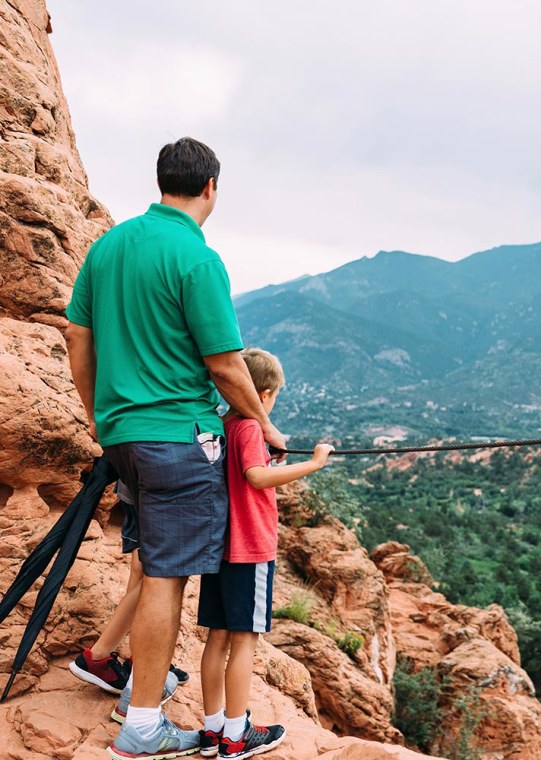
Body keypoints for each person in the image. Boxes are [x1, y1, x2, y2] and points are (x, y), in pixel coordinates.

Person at [65, 137, 286, 760]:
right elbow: (224, 363)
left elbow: (79, 335)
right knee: (166, 577)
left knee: (149, 566)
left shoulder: (108, 246)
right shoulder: (196, 256)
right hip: (178, 439)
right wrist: (263, 427)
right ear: (211, 187)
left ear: (162, 181)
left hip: (124, 436)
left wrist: (97, 417)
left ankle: (134, 697)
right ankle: (141, 725)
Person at [197, 348, 333, 759]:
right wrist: (315, 463)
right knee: (245, 641)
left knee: (216, 638)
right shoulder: (253, 428)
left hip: (219, 548)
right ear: (266, 393)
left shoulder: (226, 424)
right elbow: (256, 477)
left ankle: (213, 728)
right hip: (249, 547)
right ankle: (236, 737)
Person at [69, 481, 189, 706]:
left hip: (135, 482)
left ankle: (138, 663)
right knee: (161, 577)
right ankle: (98, 656)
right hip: (159, 486)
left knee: (142, 570)